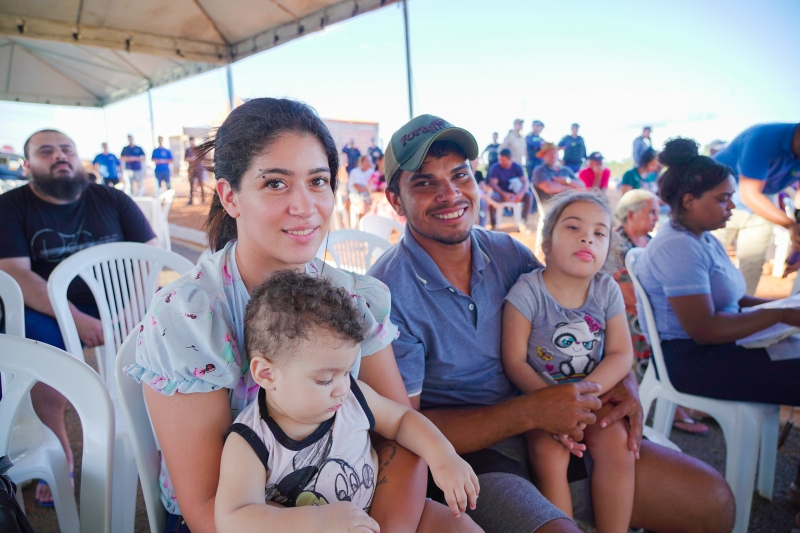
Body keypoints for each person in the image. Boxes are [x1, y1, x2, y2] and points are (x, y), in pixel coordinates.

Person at [370, 114, 735, 533]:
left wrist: (624, 382)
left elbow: (583, 321)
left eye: (460, 175)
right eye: (424, 182)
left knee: (713, 503)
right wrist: (530, 412)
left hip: (558, 421)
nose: (450, 194)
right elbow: (399, 430)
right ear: (395, 200)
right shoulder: (387, 295)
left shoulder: (507, 253)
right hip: (468, 456)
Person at [123, 98, 429, 533]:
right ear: (230, 196)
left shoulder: (354, 297)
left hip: (352, 508)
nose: (304, 206)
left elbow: (400, 437)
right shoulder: (190, 319)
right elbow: (208, 507)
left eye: (317, 181)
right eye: (275, 183)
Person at [216, 270, 482, 533]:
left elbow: (402, 419)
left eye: (346, 372)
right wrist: (317, 522)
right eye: (325, 380)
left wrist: (443, 456)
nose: (343, 388)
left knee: (457, 525)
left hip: (385, 512)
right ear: (266, 374)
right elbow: (234, 517)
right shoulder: (252, 440)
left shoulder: (352, 397)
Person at [0, 129, 156, 506]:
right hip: (47, 308)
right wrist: (77, 320)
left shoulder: (111, 197)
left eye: (67, 149)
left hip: (118, 303)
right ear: (27, 165)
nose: (60, 156)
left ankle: (162, 440)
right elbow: (17, 274)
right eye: (46, 151)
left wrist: (129, 314)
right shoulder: (10, 206)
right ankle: (62, 453)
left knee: (170, 335)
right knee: (44, 358)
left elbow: (149, 254)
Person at [501, 190, 635, 533]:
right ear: (546, 243)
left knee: (618, 445)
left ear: (608, 249)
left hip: (594, 396)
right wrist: (555, 405)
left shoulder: (606, 290)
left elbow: (621, 353)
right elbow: (514, 361)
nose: (587, 237)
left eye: (599, 233)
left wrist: (584, 397)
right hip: (540, 399)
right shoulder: (528, 292)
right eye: (573, 227)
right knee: (549, 454)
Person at [635, 136, 800, 406]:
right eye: (723, 199)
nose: (732, 206)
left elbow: (736, 300)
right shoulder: (677, 246)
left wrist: (784, 307)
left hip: (716, 347)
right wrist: (779, 314)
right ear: (689, 201)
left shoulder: (702, 237)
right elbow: (705, 330)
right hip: (692, 360)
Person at [613, 190, 709, 435]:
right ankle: (671, 402)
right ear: (631, 214)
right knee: (646, 326)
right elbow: (626, 295)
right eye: (651, 212)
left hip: (648, 306)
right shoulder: (617, 244)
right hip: (621, 310)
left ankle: (683, 395)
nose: (657, 217)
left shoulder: (650, 241)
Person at [712, 123, 800, 295]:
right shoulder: (764, 138)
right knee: (711, 259)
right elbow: (749, 194)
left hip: (763, 203)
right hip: (721, 200)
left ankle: (743, 307)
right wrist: (791, 225)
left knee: (752, 265)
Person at [486, 148, 533, 231]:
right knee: (493, 197)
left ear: (510, 159)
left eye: (503, 160)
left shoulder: (517, 167)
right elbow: (493, 184)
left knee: (528, 195)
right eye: (500, 159)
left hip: (516, 194)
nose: (500, 162)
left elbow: (525, 182)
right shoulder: (495, 167)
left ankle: (523, 222)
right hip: (500, 194)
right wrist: (504, 194)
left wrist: (520, 194)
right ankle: (494, 224)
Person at [185, 136, 207, 205]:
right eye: (190, 141)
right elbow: (186, 158)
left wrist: (197, 159)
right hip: (191, 169)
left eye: (192, 141)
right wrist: (191, 159)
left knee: (201, 185)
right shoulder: (188, 150)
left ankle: (203, 200)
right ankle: (191, 200)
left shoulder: (198, 149)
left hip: (199, 169)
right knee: (191, 185)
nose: (191, 142)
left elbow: (203, 158)